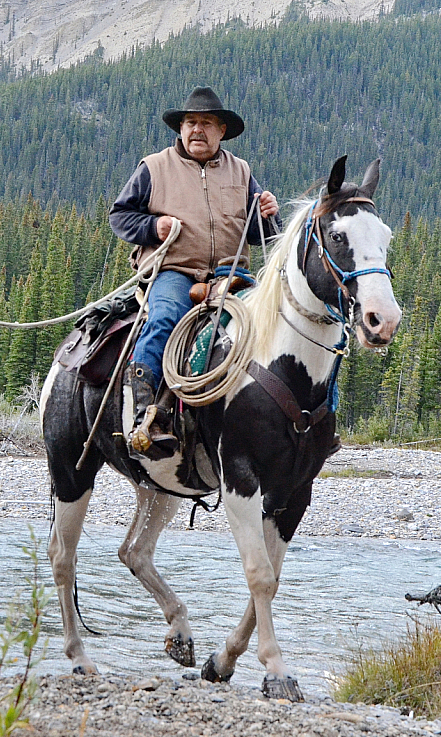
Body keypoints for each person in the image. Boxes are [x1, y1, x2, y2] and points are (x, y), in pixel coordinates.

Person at [109, 85, 281, 460]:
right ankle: (146, 415)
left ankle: (287, 419)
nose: (197, 130)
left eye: (206, 123)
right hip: (175, 270)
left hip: (230, 274)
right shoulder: (154, 167)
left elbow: (262, 234)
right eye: (191, 122)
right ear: (181, 128)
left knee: (277, 320)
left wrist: (269, 212)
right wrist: (155, 228)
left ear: (222, 130)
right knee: (165, 317)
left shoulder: (241, 171)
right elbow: (120, 216)